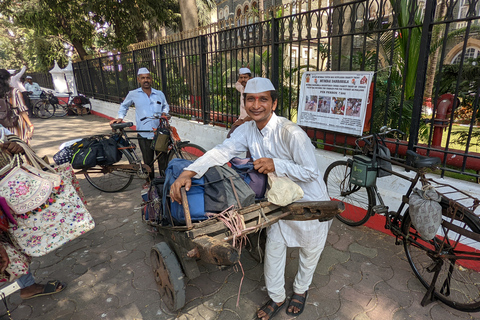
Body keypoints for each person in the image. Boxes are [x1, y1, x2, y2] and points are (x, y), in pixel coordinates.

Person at [170, 77, 331, 320]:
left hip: (308, 198)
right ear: (244, 103)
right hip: (277, 200)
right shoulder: (247, 129)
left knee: (310, 249)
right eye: (251, 99)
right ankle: (277, 296)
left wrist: (276, 164)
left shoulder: (291, 132)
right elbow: (221, 151)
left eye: (263, 99)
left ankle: (301, 289)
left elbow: (310, 171)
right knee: (275, 247)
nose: (256, 105)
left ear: (273, 103)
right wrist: (189, 171)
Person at [0, 129, 66, 299]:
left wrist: (18, 146)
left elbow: (12, 137)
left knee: (12, 244)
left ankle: (28, 286)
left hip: (10, 192)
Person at [109, 68, 169, 185]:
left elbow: (166, 106)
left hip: (159, 133)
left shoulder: (159, 94)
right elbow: (124, 106)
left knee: (163, 160)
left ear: (151, 79)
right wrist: (120, 117)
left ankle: (164, 182)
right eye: (143, 78)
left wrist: (164, 113)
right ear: (138, 79)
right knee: (148, 161)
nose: (146, 80)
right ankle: (151, 183)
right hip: (144, 133)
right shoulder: (133, 94)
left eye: (147, 77)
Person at [0, 69, 34, 144]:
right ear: (8, 79)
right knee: (20, 147)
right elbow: (22, 110)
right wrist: (30, 125)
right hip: (16, 123)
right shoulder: (15, 92)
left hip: (2, 126)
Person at [227, 67, 253, 138]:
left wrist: (242, 122)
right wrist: (243, 71)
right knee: (230, 137)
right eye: (241, 77)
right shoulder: (242, 88)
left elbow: (253, 111)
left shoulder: (253, 91)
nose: (243, 79)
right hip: (241, 120)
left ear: (250, 78)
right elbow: (237, 84)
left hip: (250, 122)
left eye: (245, 77)